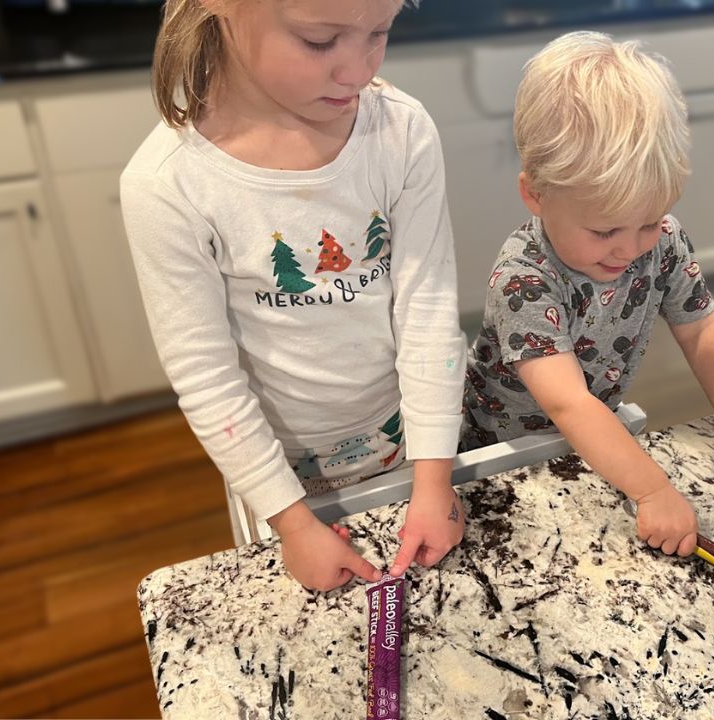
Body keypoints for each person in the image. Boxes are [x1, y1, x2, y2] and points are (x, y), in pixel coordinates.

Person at [121, 0, 465, 591]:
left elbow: (428, 309)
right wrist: (291, 522)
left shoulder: (401, 130)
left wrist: (435, 479)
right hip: (278, 482)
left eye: (379, 32)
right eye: (318, 40)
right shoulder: (167, 185)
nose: (356, 71)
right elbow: (206, 376)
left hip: (406, 444)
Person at [461, 31, 714, 558]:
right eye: (603, 232)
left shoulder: (660, 241)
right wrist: (653, 489)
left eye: (647, 222)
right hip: (503, 456)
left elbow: (701, 327)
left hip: (595, 443)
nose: (629, 249)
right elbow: (570, 404)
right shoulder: (523, 281)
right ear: (536, 195)